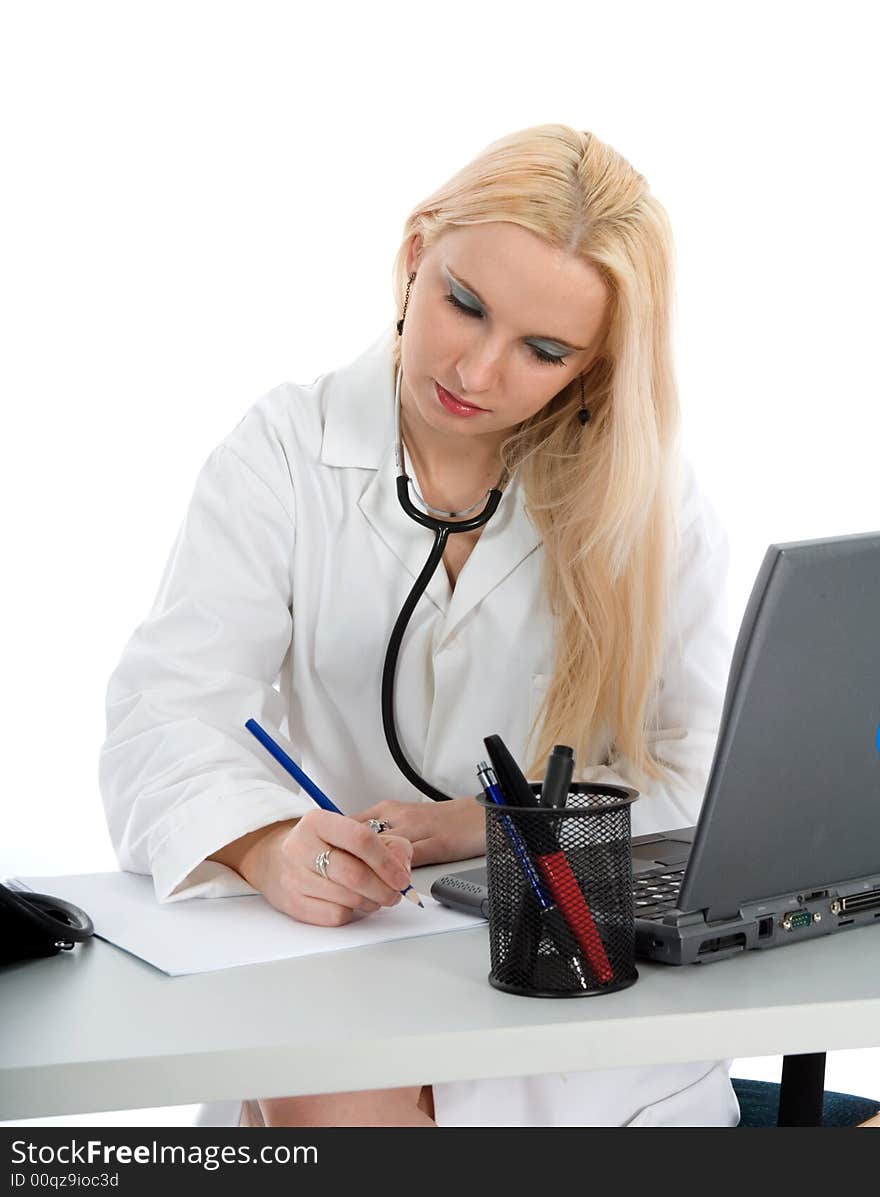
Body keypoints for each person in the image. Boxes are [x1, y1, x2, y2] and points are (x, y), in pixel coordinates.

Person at [99, 123, 739, 1128]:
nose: (476, 373)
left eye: (542, 350)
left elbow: (707, 774)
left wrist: (481, 831)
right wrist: (271, 846)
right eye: (463, 304)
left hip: (579, 988)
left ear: (593, 367)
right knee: (330, 1085)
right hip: (346, 958)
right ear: (412, 257)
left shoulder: (646, 499)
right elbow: (163, 719)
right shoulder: (286, 449)